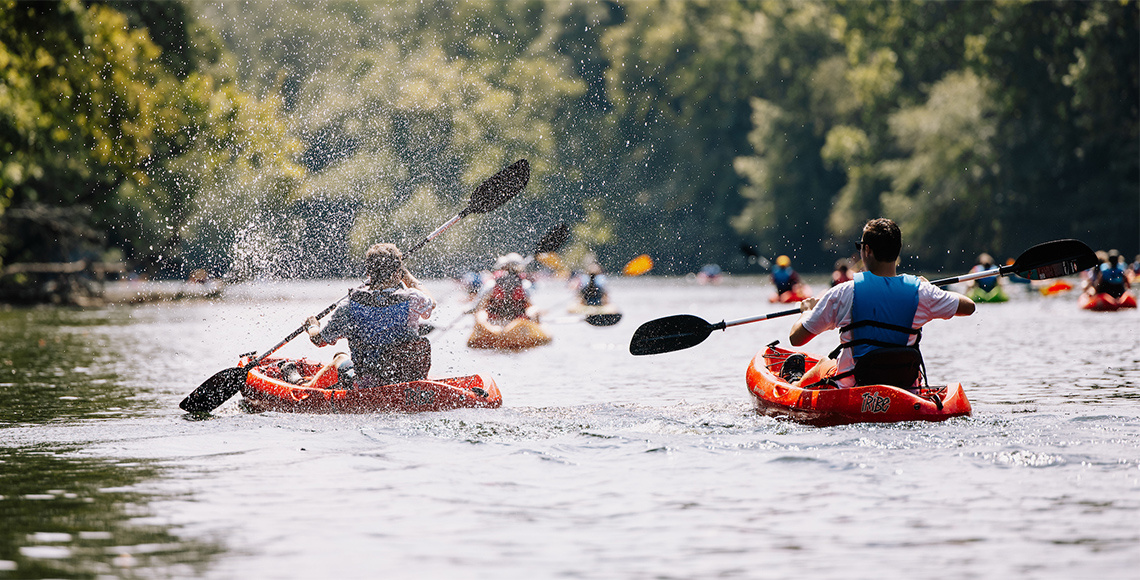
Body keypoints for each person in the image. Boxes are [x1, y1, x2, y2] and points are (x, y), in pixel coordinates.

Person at [786, 218, 975, 389]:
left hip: (854, 387)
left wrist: (806, 311)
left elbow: (796, 339)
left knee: (824, 364)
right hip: (903, 386)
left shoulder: (844, 292)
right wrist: (930, 289)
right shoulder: (922, 291)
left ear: (867, 250)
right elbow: (969, 307)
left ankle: (795, 384)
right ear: (898, 250)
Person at [304, 243, 435, 387]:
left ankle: (306, 388)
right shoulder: (413, 299)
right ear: (398, 273)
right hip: (407, 379)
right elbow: (431, 302)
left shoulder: (349, 306)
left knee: (340, 358)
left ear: (368, 274)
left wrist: (312, 326)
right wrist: (407, 275)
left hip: (367, 385)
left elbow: (319, 340)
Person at [477, 252, 535, 323]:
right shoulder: (525, 285)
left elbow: (479, 306)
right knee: (533, 311)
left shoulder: (491, 284)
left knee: (480, 313)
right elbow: (532, 305)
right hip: (517, 323)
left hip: (495, 323)